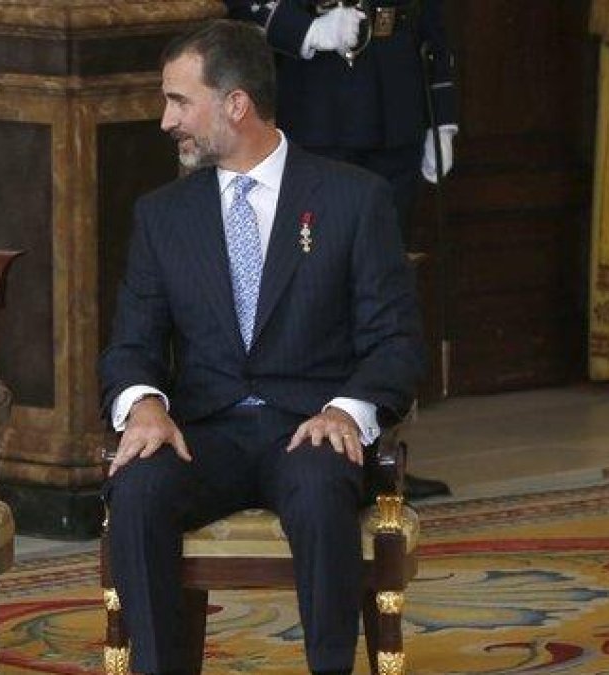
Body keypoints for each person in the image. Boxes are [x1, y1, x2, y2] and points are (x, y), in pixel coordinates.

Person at [99, 20, 422, 675]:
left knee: (319, 480)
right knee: (137, 485)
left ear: (236, 104)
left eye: (179, 101)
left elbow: (396, 343)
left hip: (307, 426)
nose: (166, 121)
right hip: (205, 433)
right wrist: (144, 406)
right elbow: (130, 345)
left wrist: (346, 412)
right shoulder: (163, 216)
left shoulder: (352, 200)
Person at [226, 0, 456, 500]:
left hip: (396, 101)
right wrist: (304, 29)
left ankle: (382, 448)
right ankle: (317, 444)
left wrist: (443, 108)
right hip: (320, 104)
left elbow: (431, 17)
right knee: (317, 289)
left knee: (386, 291)